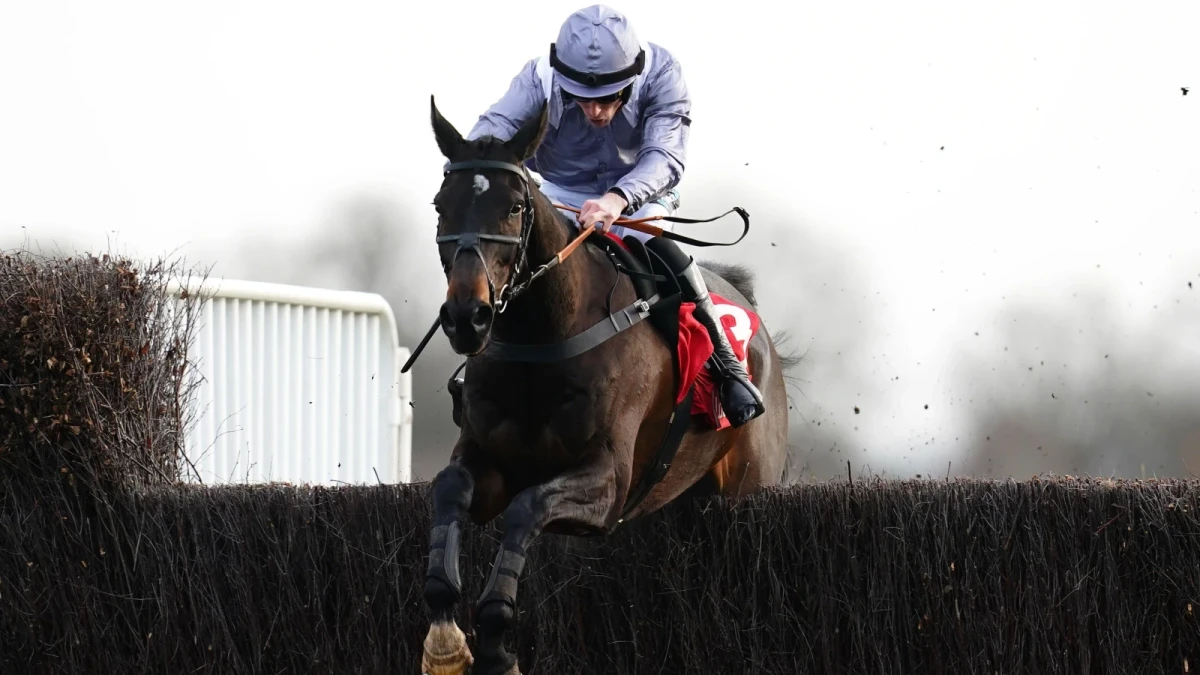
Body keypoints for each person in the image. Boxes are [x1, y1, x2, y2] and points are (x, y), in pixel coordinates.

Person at [461, 4, 765, 427]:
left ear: (632, 78)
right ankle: (476, 372)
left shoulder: (662, 74)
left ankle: (728, 369)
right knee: (508, 263)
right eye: (582, 100)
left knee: (662, 255)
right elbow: (492, 128)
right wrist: (469, 164)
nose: (596, 112)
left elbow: (664, 156)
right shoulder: (539, 81)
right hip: (559, 195)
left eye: (608, 99)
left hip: (641, 192)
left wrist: (618, 200)